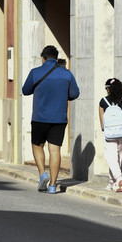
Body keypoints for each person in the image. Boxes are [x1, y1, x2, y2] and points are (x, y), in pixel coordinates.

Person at [22, 45, 80, 194]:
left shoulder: (35, 72)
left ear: (43, 58)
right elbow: (75, 94)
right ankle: (53, 186)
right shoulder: (66, 74)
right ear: (56, 58)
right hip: (59, 118)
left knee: (37, 145)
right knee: (55, 150)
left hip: (40, 118)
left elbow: (25, 90)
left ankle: (42, 174)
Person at [98, 78, 122, 193]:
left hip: (109, 133)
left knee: (111, 157)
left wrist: (104, 131)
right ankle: (112, 182)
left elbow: (102, 121)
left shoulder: (103, 101)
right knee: (118, 157)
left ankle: (118, 178)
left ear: (108, 89)